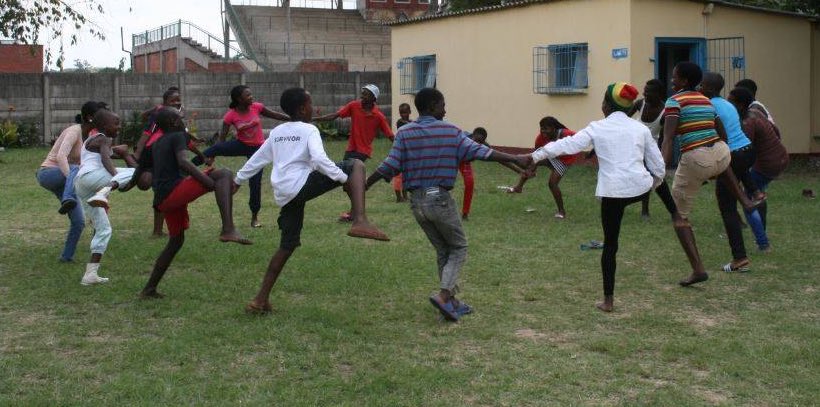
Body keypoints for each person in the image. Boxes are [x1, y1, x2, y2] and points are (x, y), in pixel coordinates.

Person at [366, 87, 530, 322]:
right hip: (439, 198)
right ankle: (444, 295)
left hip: (417, 203)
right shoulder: (450, 131)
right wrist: (516, 158)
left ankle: (451, 302)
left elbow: (389, 165)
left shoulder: (405, 133)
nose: (446, 109)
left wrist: (365, 185)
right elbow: (482, 152)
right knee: (459, 247)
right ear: (433, 106)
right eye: (443, 105)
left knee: (444, 249)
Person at [236, 87, 389, 314]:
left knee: (287, 245)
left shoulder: (278, 131)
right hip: (301, 185)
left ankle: (260, 300)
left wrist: (238, 179)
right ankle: (360, 220)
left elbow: (258, 158)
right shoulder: (309, 130)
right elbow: (319, 160)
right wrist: (343, 178)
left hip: (285, 195)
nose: (312, 107)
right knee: (356, 164)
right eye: (310, 103)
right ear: (302, 108)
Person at [527, 82, 664, 312]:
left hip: (612, 193)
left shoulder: (597, 127)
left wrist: (535, 155)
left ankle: (608, 301)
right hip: (639, 188)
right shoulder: (640, 128)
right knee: (645, 186)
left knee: (611, 245)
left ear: (605, 106)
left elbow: (568, 145)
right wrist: (654, 184)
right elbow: (658, 165)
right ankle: (675, 214)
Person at [660, 62, 759, 287]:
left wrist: (661, 169)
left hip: (696, 158)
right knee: (721, 165)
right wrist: (718, 149)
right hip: (722, 152)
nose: (672, 80)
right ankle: (744, 200)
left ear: (684, 81)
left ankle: (698, 270)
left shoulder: (674, 101)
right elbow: (721, 131)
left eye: (675, 77)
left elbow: (668, 138)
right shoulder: (707, 100)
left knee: (679, 216)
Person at [138, 108, 252, 299]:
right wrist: (208, 182)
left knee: (176, 241)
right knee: (223, 173)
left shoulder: (158, 142)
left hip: (162, 200)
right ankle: (228, 229)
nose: (184, 121)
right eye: (181, 118)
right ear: (174, 122)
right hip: (172, 194)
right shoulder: (178, 135)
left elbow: (145, 168)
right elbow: (183, 162)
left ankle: (149, 289)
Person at [192, 85, 290, 228]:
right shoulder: (230, 115)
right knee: (213, 148)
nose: (251, 97)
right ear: (239, 99)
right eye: (248, 95)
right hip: (241, 144)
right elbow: (222, 139)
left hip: (258, 150)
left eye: (251, 94)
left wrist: (294, 119)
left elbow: (276, 115)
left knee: (255, 183)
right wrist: (213, 155)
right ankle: (187, 167)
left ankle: (254, 217)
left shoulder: (257, 107)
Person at [699, 72, 763, 272]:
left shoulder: (709, 106)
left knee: (727, 208)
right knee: (735, 188)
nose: (699, 88)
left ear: (709, 87)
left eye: (702, 85)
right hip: (748, 151)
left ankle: (740, 258)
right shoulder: (727, 104)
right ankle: (754, 193)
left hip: (732, 155)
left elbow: (713, 135)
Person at [36, 101, 106, 262]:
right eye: (102, 115)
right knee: (76, 169)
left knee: (78, 222)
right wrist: (74, 180)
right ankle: (68, 197)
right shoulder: (74, 131)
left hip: (65, 180)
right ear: (90, 117)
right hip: (48, 173)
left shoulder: (90, 137)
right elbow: (61, 157)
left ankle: (66, 257)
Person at [73, 110, 136, 285]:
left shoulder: (91, 139)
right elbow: (106, 160)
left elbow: (108, 155)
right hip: (92, 179)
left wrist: (123, 154)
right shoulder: (102, 138)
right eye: (116, 123)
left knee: (104, 229)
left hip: (81, 185)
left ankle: (90, 274)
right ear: (104, 126)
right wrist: (115, 178)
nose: (119, 126)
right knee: (135, 172)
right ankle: (105, 192)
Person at [315, 84, 394, 221]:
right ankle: (356, 209)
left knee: (349, 181)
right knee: (347, 184)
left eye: (366, 94)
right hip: (351, 149)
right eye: (362, 93)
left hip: (362, 152)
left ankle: (355, 213)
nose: (362, 96)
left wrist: (403, 148)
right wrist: (316, 119)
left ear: (373, 98)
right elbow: (336, 115)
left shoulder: (378, 116)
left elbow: (390, 135)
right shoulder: (354, 106)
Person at [135, 86, 206, 237]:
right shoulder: (160, 115)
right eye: (172, 100)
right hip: (159, 156)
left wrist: (199, 149)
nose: (176, 102)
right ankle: (158, 230)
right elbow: (146, 134)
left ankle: (174, 228)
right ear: (165, 103)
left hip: (171, 157)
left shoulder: (176, 117)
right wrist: (137, 154)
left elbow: (184, 137)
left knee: (173, 190)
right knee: (162, 191)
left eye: (178, 100)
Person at [729, 86, 789, 252]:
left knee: (748, 201)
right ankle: (761, 231)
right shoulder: (756, 112)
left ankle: (763, 243)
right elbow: (775, 130)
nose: (728, 104)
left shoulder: (748, 122)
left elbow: (743, 150)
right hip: (780, 157)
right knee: (758, 193)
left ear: (740, 105)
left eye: (731, 101)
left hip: (768, 163)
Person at [507, 117, 581, 219]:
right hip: (551, 156)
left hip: (564, 160)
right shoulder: (540, 138)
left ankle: (561, 211)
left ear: (554, 128)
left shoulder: (565, 134)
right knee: (531, 161)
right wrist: (531, 169)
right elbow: (535, 156)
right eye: (541, 128)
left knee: (552, 183)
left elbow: (581, 138)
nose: (543, 131)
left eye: (546, 128)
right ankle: (519, 187)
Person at [629, 79, 678, 219]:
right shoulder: (640, 104)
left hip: (651, 149)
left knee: (651, 178)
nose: (645, 95)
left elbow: (665, 138)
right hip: (634, 145)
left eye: (648, 92)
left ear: (658, 94)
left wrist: (661, 158)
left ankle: (645, 210)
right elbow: (623, 118)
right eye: (644, 91)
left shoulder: (665, 112)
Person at [460, 127, 525, 220]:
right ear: (472, 136)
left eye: (480, 142)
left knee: (470, 184)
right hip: (452, 158)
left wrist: (519, 170)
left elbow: (500, 159)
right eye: (476, 141)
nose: (477, 144)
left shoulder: (483, 146)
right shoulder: (462, 137)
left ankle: (465, 213)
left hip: (464, 162)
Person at [392, 102, 412, 203]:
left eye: (405, 112)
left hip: (407, 151)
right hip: (399, 151)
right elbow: (407, 125)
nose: (403, 114)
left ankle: (405, 195)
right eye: (401, 113)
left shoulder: (412, 123)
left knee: (406, 175)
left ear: (410, 112)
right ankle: (398, 197)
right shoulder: (400, 122)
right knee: (398, 175)